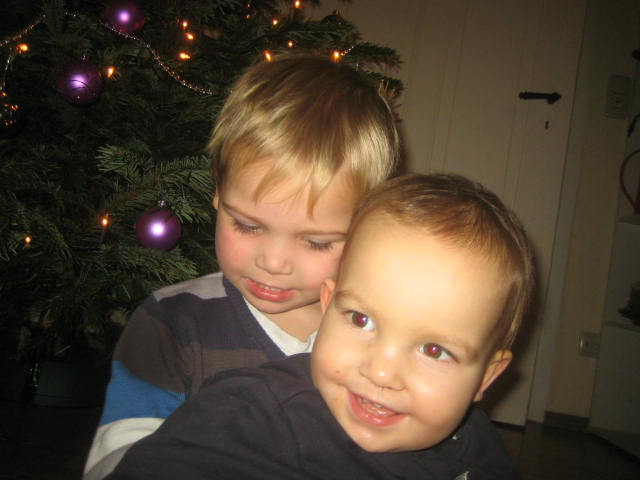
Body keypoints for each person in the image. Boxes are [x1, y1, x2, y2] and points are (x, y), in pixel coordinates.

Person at [84, 53, 400, 479]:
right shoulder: (170, 325)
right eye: (248, 226)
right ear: (219, 190)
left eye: (315, 242)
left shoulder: (383, 337)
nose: (272, 262)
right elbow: (115, 462)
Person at [104, 173, 535, 480]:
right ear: (328, 307)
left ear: (487, 376)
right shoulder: (250, 413)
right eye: (362, 320)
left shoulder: (480, 450)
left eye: (434, 350)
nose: (380, 372)